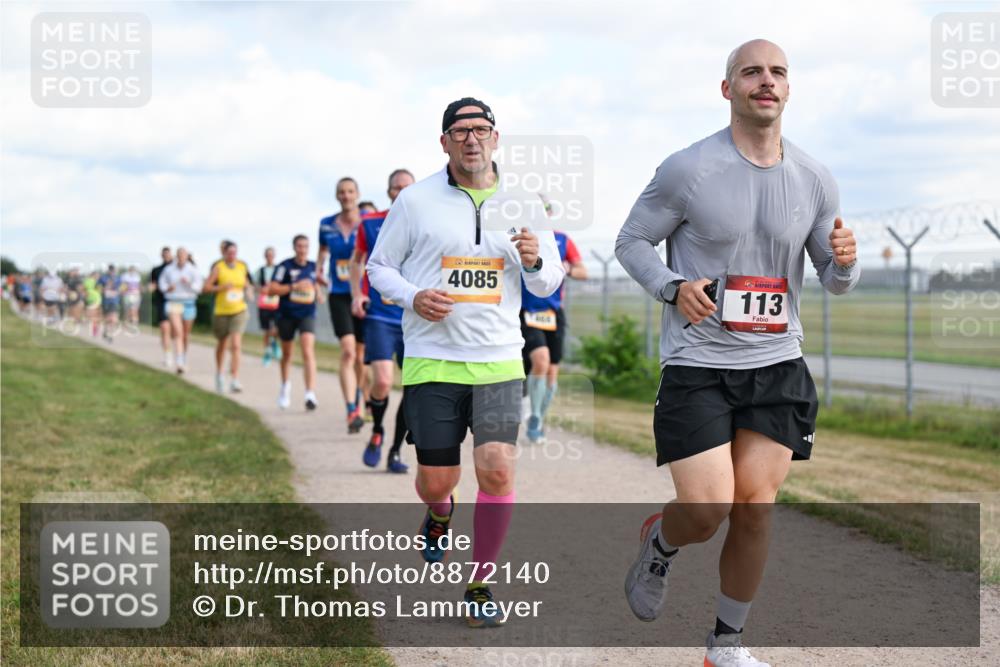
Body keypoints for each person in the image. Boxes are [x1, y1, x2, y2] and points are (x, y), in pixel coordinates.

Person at [616, 40, 860, 667]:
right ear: (727, 89)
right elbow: (633, 241)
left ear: (788, 87)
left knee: (755, 506)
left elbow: (831, 278)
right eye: (752, 71)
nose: (766, 81)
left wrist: (847, 266)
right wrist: (673, 288)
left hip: (776, 364)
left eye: (777, 72)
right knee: (706, 509)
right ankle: (661, 544)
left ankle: (725, 645)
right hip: (698, 363)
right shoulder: (688, 169)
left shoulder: (815, 178)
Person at [367, 97, 564, 627]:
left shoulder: (524, 202)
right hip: (433, 358)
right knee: (438, 479)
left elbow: (550, 281)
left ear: (496, 138)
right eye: (460, 131)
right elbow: (378, 268)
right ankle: (438, 512)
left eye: (481, 129)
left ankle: (479, 583)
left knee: (497, 469)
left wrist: (535, 260)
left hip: (500, 359)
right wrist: (413, 297)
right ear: (445, 142)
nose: (471, 139)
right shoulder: (414, 200)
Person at [350, 168, 415, 473]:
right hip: (379, 316)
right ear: (389, 192)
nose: (401, 191)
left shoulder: (427, 222)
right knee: (384, 381)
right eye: (396, 187)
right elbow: (356, 261)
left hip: (415, 319)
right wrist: (356, 294)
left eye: (407, 187)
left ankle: (395, 451)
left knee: (413, 388)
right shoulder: (371, 222)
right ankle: (377, 430)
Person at [520, 220, 588, 444]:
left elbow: (582, 271)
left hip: (554, 311)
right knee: (541, 360)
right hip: (527, 310)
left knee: (551, 372)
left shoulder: (562, 239)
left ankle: (538, 420)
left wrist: (568, 268)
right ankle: (532, 412)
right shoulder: (520, 235)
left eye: (545, 209)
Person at [318, 177, 368, 432]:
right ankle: (351, 409)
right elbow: (323, 250)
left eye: (350, 191)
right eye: (341, 192)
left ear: (357, 194)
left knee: (360, 355)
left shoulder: (367, 221)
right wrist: (318, 270)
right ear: (337, 196)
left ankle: (359, 402)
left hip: (363, 292)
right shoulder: (326, 225)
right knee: (348, 351)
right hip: (339, 293)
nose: (346, 196)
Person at [270, 235, 322, 410]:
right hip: (287, 314)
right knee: (287, 354)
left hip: (307, 313)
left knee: (308, 350)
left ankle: (310, 393)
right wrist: (294, 286)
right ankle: (285, 387)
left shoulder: (314, 267)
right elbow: (272, 288)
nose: (302, 249)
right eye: (299, 246)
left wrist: (318, 292)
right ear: (294, 248)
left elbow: (317, 285)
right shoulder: (284, 266)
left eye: (306, 246)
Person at [204, 241, 253, 393]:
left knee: (236, 344)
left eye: (234, 253)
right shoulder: (218, 268)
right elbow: (206, 287)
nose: (232, 256)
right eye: (229, 253)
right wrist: (221, 287)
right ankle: (219, 374)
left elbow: (247, 284)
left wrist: (249, 291)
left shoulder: (242, 266)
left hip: (239, 310)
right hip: (222, 311)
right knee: (222, 343)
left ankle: (235, 379)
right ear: (224, 253)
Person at [158, 248, 204, 374]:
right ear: (176, 256)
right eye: (179, 255)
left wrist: (189, 284)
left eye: (183, 255)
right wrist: (168, 288)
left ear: (187, 256)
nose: (181, 257)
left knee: (185, 334)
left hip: (189, 302)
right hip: (174, 302)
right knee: (178, 332)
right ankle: (179, 362)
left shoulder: (193, 270)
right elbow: (161, 284)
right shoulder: (169, 270)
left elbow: (199, 288)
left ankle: (183, 357)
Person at [256, 246, 282, 366]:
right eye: (268, 255)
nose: (270, 257)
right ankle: (267, 352)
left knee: (276, 328)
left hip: (277, 303)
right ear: (265, 256)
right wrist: (261, 289)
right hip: (264, 303)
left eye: (272, 255)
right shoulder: (260, 270)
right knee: (266, 329)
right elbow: (254, 285)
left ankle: (274, 343)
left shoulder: (279, 270)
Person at [150, 247, 174, 367]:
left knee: (176, 330)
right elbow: (153, 284)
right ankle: (167, 355)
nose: (166, 256)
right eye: (164, 254)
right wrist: (150, 289)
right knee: (165, 328)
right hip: (162, 301)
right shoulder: (156, 270)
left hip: (177, 301)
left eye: (168, 254)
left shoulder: (177, 268)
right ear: (161, 255)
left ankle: (180, 354)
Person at [97, 265, 123, 342]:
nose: (112, 272)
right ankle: (106, 331)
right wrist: (103, 289)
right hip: (106, 301)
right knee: (107, 318)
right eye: (110, 270)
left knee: (113, 318)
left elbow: (123, 287)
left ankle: (110, 334)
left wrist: (120, 291)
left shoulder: (118, 278)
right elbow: (97, 287)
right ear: (108, 270)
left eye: (113, 270)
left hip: (114, 301)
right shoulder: (103, 278)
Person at [82, 271, 102, 336]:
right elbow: (84, 290)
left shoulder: (94, 282)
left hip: (95, 299)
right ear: (93, 275)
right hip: (93, 299)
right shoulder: (89, 281)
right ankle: (95, 330)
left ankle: (94, 330)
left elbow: (84, 291)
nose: (98, 277)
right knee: (94, 316)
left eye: (98, 276)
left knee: (93, 315)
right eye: (97, 276)